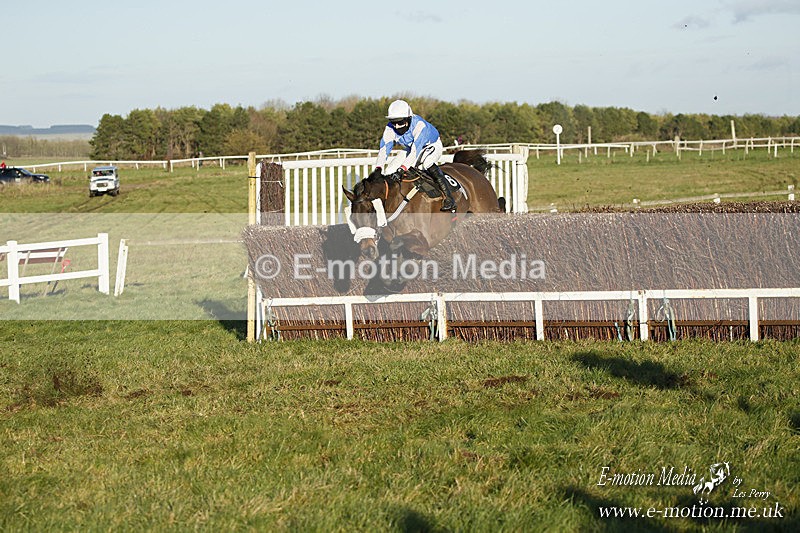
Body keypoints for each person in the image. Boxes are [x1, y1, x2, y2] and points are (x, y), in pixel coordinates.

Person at [374, 99, 455, 211]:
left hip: (431, 145)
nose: (396, 126)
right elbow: (384, 149)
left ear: (408, 119)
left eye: (400, 122)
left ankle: (449, 197)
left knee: (426, 163)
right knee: (389, 170)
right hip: (410, 148)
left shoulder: (419, 125)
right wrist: (378, 168)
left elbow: (415, 152)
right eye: (393, 122)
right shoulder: (390, 128)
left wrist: (402, 169)